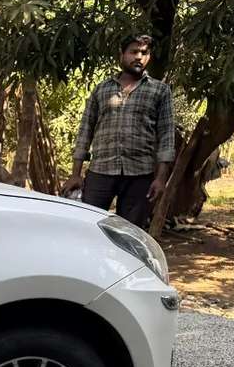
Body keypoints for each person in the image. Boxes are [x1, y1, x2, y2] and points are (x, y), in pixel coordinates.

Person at [61, 34, 174, 228]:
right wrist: (75, 174)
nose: (139, 57)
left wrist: (161, 179)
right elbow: (85, 130)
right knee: (89, 227)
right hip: (101, 171)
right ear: (121, 55)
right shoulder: (102, 89)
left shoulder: (160, 91)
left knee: (130, 234)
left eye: (144, 53)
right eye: (133, 52)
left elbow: (166, 135)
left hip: (140, 174)